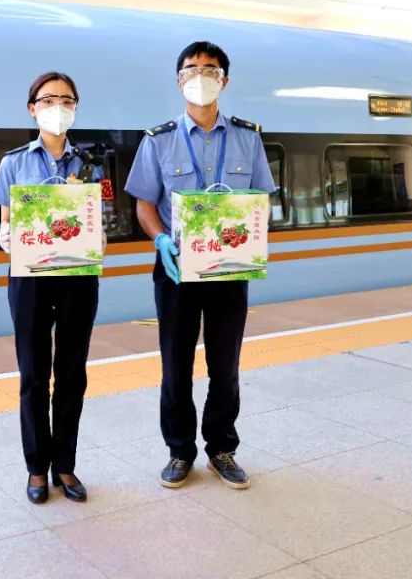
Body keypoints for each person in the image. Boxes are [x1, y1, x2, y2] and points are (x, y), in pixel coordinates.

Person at [125, 41, 275, 491]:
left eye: (210, 70)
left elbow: (262, 199)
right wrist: (161, 240)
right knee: (175, 367)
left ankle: (222, 450)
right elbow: (144, 204)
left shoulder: (248, 138)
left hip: (229, 270)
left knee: (225, 366)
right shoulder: (158, 140)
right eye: (191, 69)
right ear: (179, 81)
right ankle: (179, 452)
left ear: (224, 80)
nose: (200, 77)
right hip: (176, 271)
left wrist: (251, 234)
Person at [0, 71, 102, 505]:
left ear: (76, 107)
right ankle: (37, 467)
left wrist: (99, 237)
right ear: (32, 108)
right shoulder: (14, 163)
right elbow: (4, 222)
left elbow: (96, 218)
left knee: (72, 373)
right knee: (34, 374)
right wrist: (6, 236)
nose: (58, 107)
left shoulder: (90, 164)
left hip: (78, 277)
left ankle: (66, 465)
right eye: (49, 100)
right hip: (30, 279)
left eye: (67, 100)